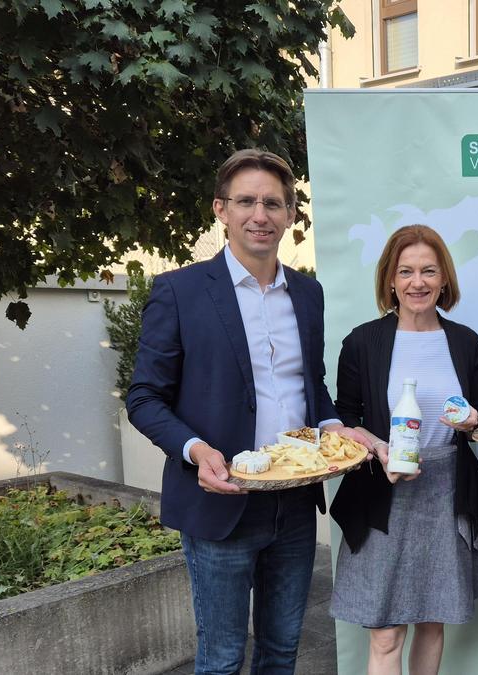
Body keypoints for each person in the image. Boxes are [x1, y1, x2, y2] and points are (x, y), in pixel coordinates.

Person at [126, 148, 369, 674]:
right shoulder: (179, 291)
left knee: (282, 652)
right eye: (246, 202)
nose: (260, 215)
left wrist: (336, 431)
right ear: (221, 210)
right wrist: (197, 452)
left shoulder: (308, 294)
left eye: (274, 203)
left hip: (296, 502)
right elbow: (144, 397)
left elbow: (311, 390)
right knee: (220, 658)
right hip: (220, 499)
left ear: (289, 216)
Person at [328, 225, 478, 675]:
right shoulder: (363, 342)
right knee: (385, 631)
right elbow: (343, 421)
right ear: (390, 280)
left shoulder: (464, 342)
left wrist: (475, 419)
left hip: (445, 492)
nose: (417, 282)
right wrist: (377, 448)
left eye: (428, 271)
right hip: (383, 493)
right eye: (406, 271)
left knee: (431, 620)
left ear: (444, 279)